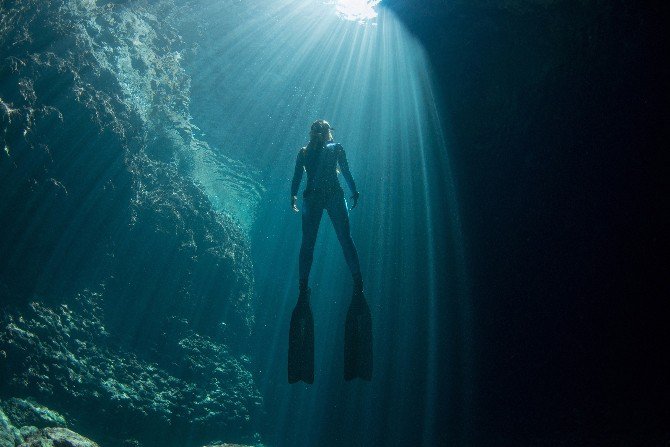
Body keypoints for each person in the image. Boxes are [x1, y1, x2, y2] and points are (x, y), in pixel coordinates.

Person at [288, 119, 372, 383]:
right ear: (326, 133)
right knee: (342, 240)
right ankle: (356, 282)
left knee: (310, 245)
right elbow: (343, 172)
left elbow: (297, 178)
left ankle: (304, 287)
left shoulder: (306, 152)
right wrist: (354, 189)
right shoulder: (333, 148)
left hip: (315, 196)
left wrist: (292, 196)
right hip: (330, 195)